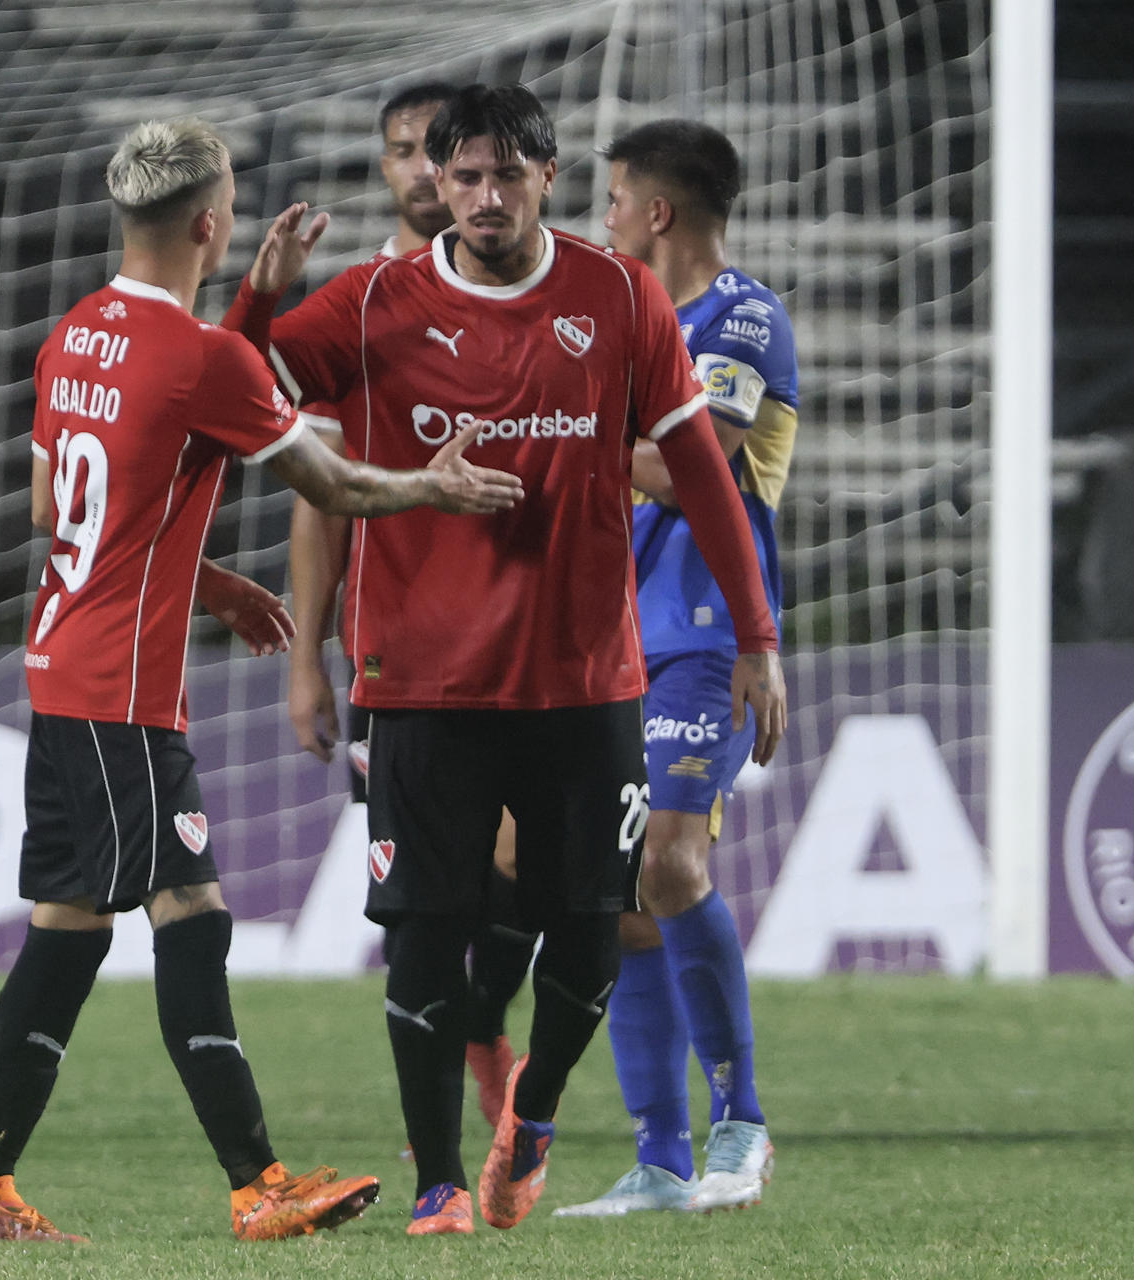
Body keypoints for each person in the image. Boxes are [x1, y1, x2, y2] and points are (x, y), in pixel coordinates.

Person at [0, 117, 523, 1246]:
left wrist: (202, 579)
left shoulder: (76, 336)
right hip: (121, 691)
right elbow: (337, 481)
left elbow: (60, 513)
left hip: (62, 667)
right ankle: (259, 1181)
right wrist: (435, 486)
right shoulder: (203, 358)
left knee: (66, 932)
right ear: (213, 222)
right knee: (190, 913)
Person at [225, 85, 786, 1236]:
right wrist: (256, 297)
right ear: (437, 182)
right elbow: (235, 395)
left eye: (506, 175)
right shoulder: (374, 301)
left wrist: (759, 637)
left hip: (584, 680)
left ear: (547, 174)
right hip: (421, 680)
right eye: (462, 176)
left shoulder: (618, 293)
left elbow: (705, 477)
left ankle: (532, 1109)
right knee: (425, 936)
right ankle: (438, 1184)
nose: (484, 197)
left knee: (593, 931)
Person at [555, 120, 798, 1219]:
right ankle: (659, 1157)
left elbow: (686, 465)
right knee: (624, 897)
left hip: (706, 631)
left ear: (658, 211)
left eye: (612, 200)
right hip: (615, 638)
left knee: (674, 863)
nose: (601, 219)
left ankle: (741, 1124)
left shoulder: (742, 317)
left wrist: (561, 433)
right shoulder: (623, 326)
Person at [283, 80, 534, 1136]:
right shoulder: (361, 308)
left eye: (447, 155)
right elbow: (319, 486)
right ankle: (450, 1080)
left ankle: (482, 1020)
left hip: (530, 638)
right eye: (404, 153)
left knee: (525, 864)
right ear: (396, 170)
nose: (426, 173)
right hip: (403, 649)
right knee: (427, 893)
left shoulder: (542, 289)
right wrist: (306, 658)